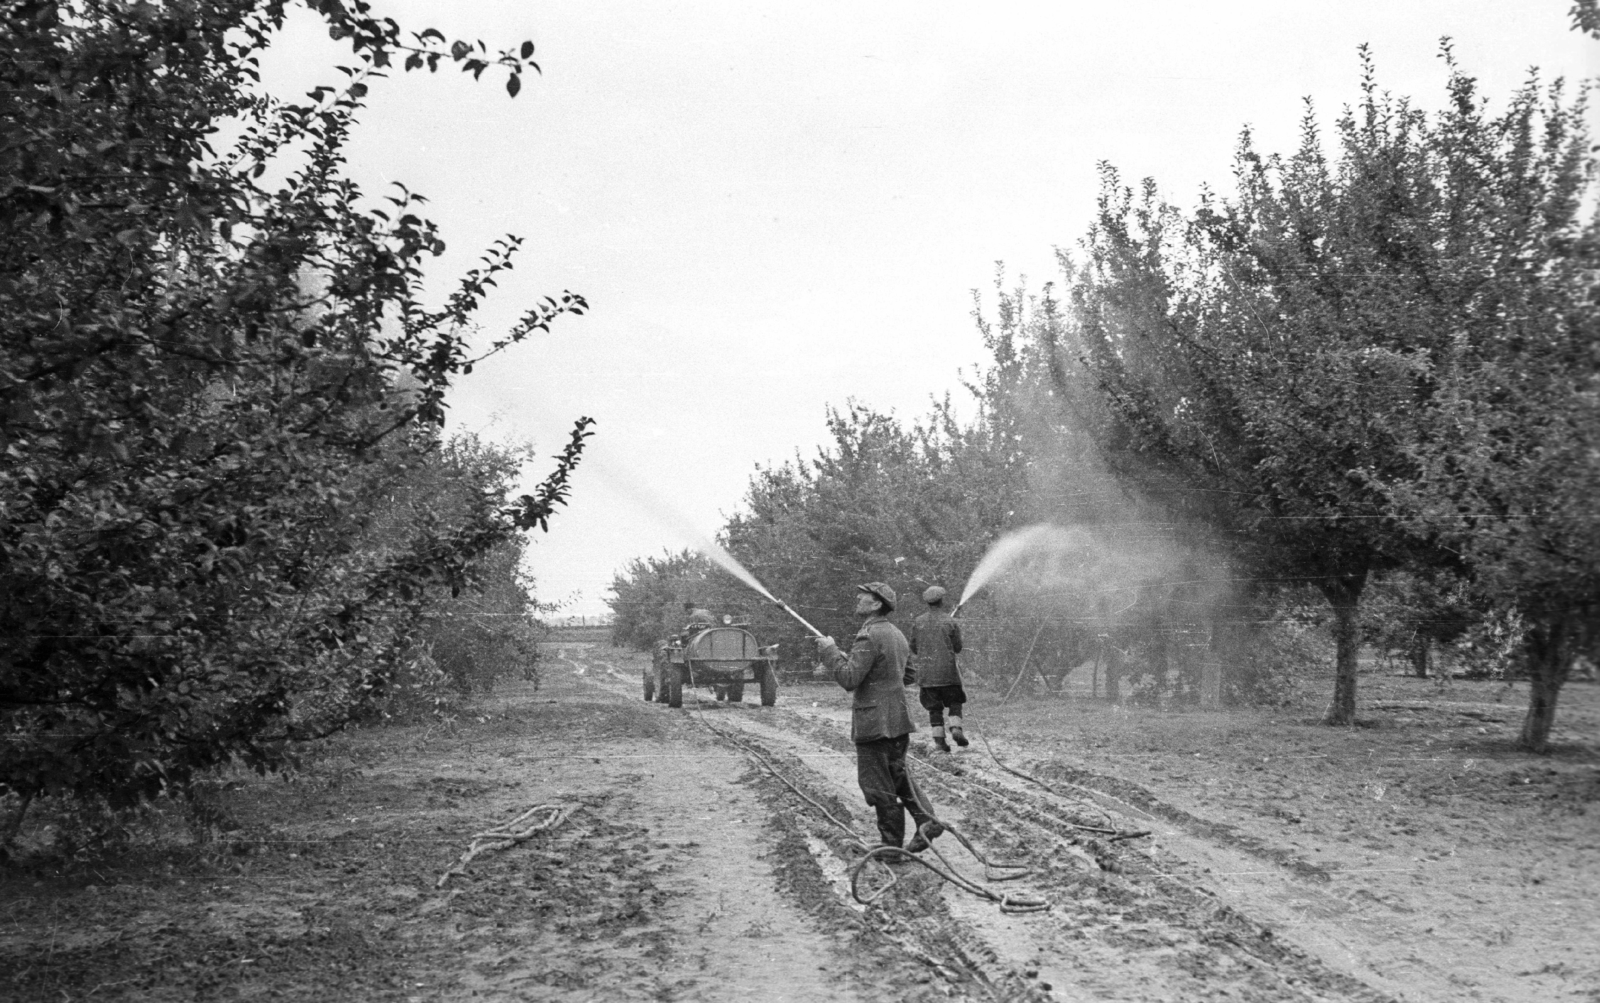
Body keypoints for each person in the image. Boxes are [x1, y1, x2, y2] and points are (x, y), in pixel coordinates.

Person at [815, 582, 943, 855]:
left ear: (876, 604)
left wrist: (830, 651)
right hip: (898, 720)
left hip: (873, 723)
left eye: (865, 596)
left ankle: (891, 847)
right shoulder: (895, 634)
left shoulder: (868, 636)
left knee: (877, 785)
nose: (858, 598)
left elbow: (849, 678)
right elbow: (907, 675)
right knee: (897, 776)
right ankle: (927, 821)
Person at [910, 586, 967, 752]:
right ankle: (956, 728)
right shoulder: (950, 622)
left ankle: (939, 742)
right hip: (948, 673)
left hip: (926, 676)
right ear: (942, 601)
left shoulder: (918, 622)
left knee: (934, 710)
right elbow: (957, 647)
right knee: (955, 702)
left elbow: (913, 647)